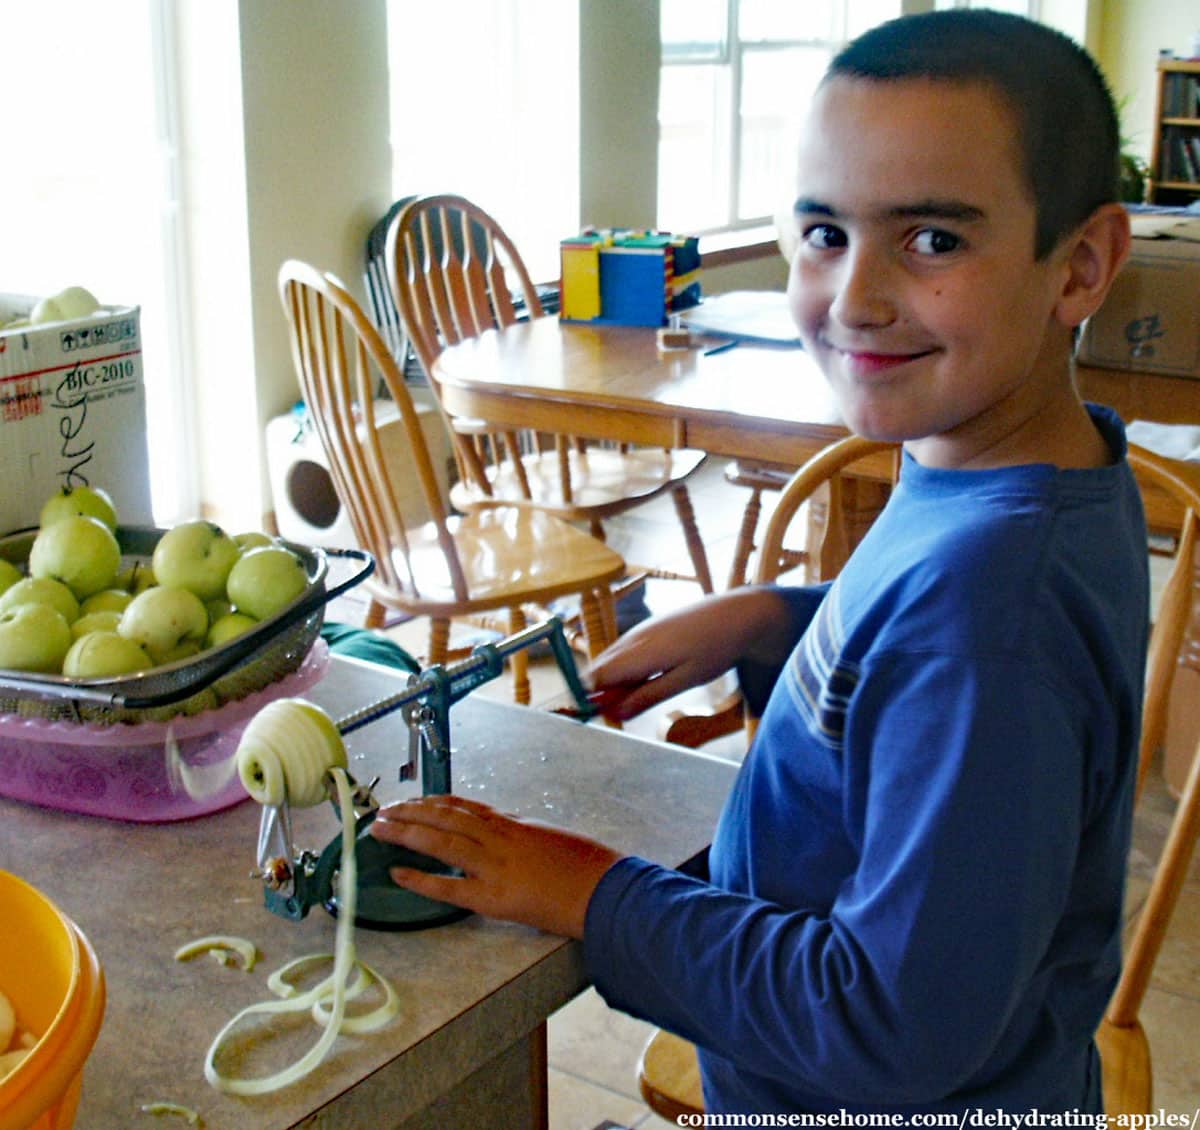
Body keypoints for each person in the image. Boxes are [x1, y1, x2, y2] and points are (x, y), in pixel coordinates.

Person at [370, 9, 1148, 1115]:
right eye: (825, 232)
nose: (857, 297)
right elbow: (938, 635)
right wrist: (774, 618)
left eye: (933, 239)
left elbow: (887, 1024)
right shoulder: (1028, 479)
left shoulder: (988, 614)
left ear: (1079, 266)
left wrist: (587, 890)